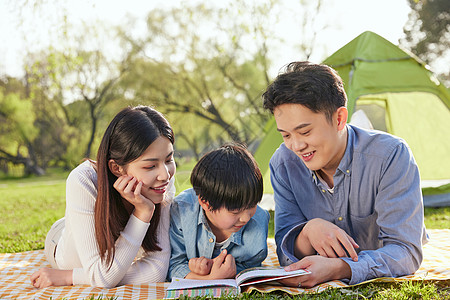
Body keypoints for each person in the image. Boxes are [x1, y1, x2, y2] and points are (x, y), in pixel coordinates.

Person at [262, 61, 428, 288]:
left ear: (339, 119)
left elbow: (405, 250)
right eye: (286, 135)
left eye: (305, 131)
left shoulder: (390, 156)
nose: (297, 145)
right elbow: (286, 249)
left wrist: (341, 268)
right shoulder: (284, 164)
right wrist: (308, 232)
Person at [30, 105, 176, 288]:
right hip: (60, 238)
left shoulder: (161, 182)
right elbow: (102, 278)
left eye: (169, 160)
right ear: (116, 168)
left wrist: (72, 277)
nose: (165, 175)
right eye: (150, 166)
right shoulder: (83, 180)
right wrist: (142, 212)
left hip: (109, 241)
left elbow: (157, 268)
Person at [168, 143, 270, 280]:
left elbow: (251, 269)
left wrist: (227, 271)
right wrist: (208, 278)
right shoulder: (181, 212)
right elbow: (174, 266)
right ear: (205, 203)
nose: (246, 218)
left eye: (252, 205)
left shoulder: (258, 223)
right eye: (235, 211)